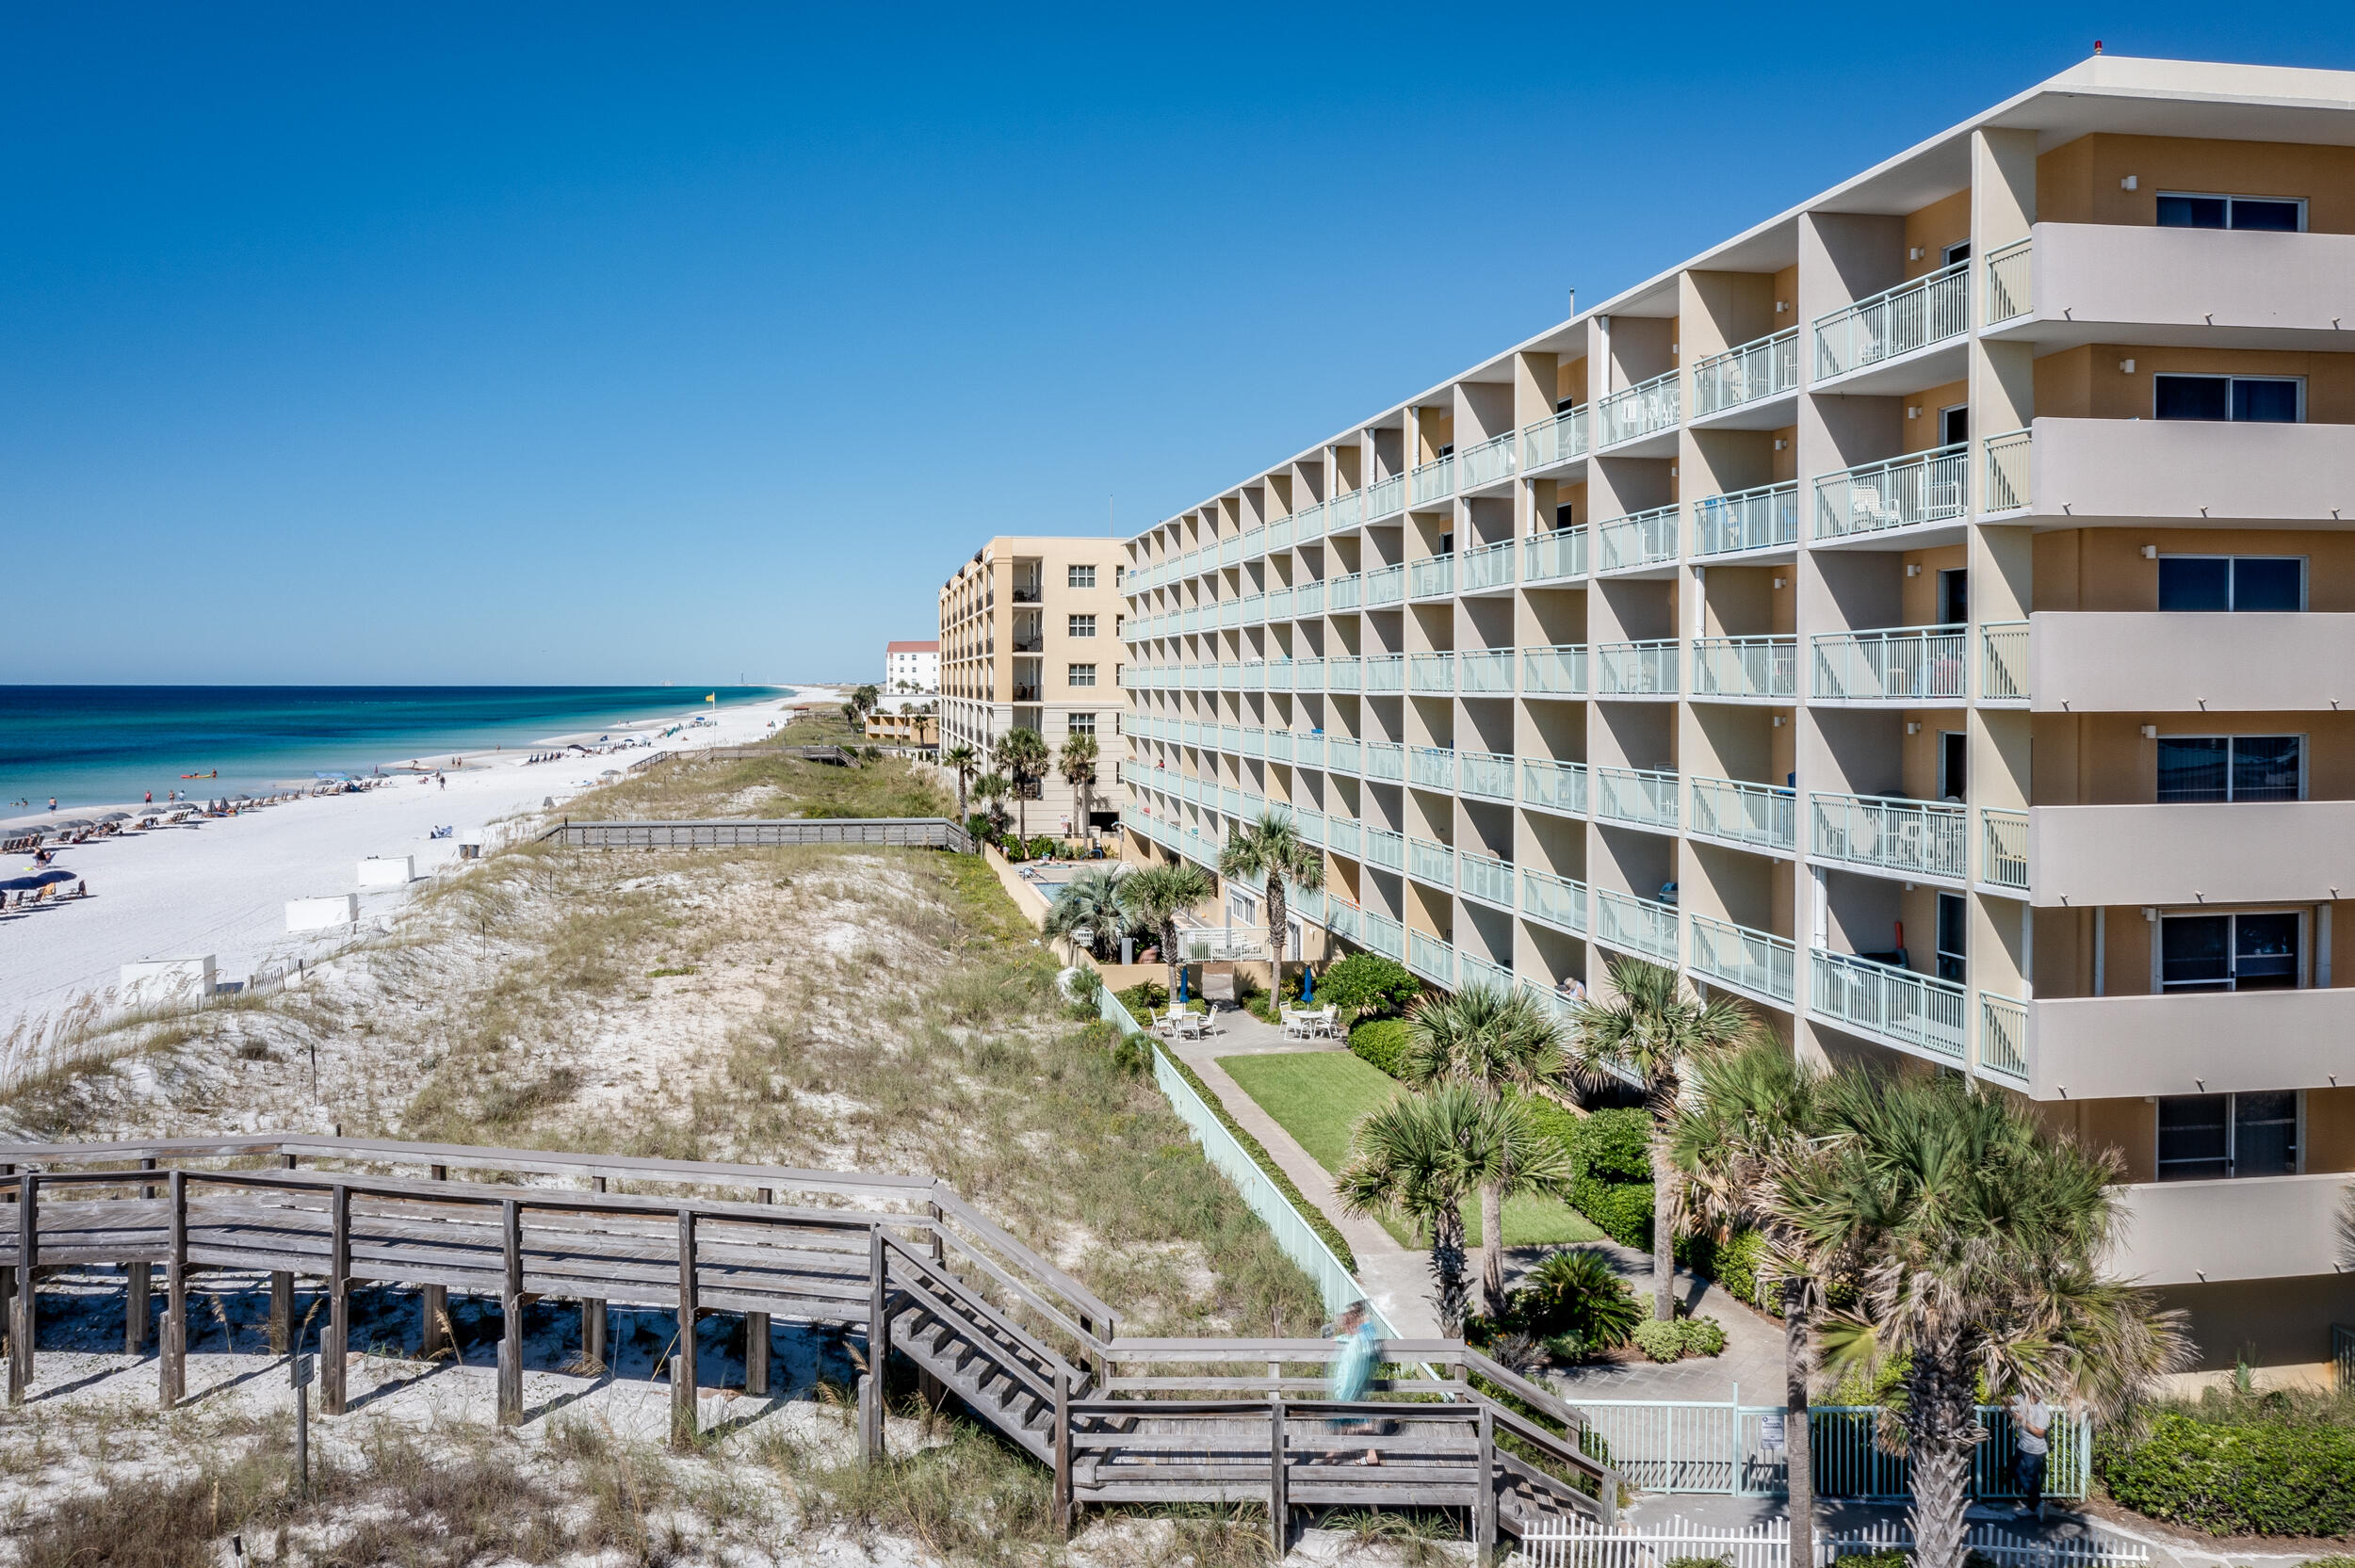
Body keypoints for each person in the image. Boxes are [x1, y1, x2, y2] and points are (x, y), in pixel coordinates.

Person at [1326, 1301, 1384, 1465]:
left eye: (1346, 1324)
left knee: (1344, 1419)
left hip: (1352, 1386)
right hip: (1358, 1385)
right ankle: (1368, 1454)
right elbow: (1360, 1337)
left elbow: (1350, 1369)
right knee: (1359, 1420)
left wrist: (1343, 1391)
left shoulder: (1359, 1341)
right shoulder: (1362, 1337)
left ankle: (1331, 1455)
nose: (1345, 1327)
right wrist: (1339, 1338)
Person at [2010, 1390, 2054, 1519]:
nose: (2037, 1397)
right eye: (2034, 1395)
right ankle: (2035, 1504)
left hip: (2034, 1451)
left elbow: (2040, 1433)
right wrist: (2007, 1406)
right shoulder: (2023, 1397)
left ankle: (2035, 1504)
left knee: (2031, 1478)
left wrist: (2022, 1420)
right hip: (2022, 1447)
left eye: (2039, 1395)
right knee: (2014, 1471)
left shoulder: (2042, 1410)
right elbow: (2009, 1400)